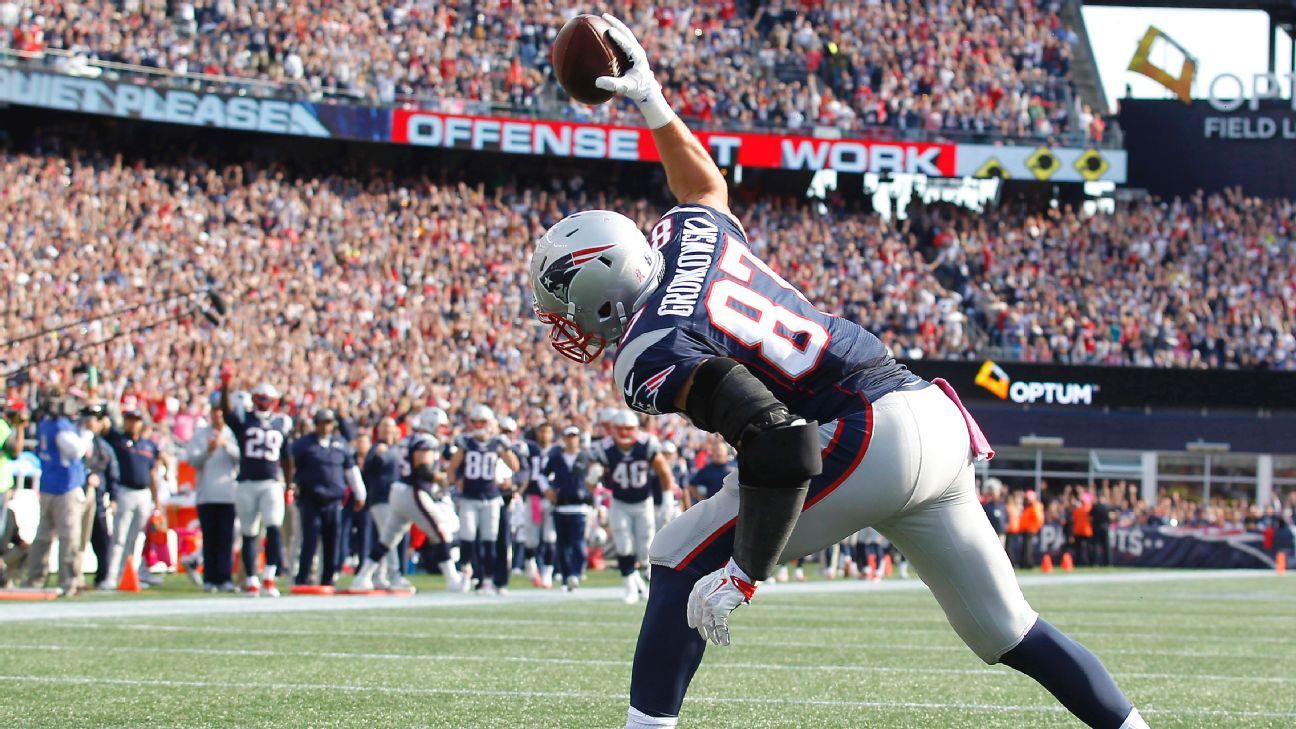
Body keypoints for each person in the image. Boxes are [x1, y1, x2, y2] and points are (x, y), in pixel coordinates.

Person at [529, 16, 1151, 729]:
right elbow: (702, 183)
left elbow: (780, 442)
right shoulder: (684, 233)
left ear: (598, 290)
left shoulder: (648, 347)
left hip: (864, 431)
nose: (563, 325)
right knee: (1007, 630)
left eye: (561, 306)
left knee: (676, 557)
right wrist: (651, 100)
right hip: (926, 412)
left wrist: (743, 572)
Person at [351, 408, 460, 592]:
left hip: (399, 490)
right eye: (441, 426)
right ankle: (453, 579)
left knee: (387, 539)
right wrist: (442, 478)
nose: (443, 430)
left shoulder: (409, 438)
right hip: (413, 491)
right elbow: (423, 471)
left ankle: (363, 576)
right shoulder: (426, 441)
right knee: (441, 531)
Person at [592, 410, 675, 604]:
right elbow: (591, 484)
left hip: (643, 501)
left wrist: (667, 499)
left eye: (629, 429)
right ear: (613, 429)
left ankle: (640, 584)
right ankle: (629, 585)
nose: (625, 434)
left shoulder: (646, 444)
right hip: (619, 502)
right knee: (623, 545)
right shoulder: (605, 448)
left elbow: (664, 472)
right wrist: (592, 477)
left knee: (645, 547)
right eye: (621, 429)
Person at [220, 378, 293, 597]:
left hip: (271, 483)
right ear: (253, 400)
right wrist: (225, 386)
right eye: (260, 399)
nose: (263, 403)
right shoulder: (245, 419)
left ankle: (269, 578)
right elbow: (226, 413)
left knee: (273, 527)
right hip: (246, 483)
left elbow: (287, 458)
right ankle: (252, 580)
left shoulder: (282, 423)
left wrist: (289, 485)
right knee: (249, 532)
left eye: (267, 399)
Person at [446, 405, 519, 594]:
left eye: (482, 422)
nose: (479, 425)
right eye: (476, 421)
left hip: (492, 497)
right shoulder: (465, 443)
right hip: (470, 496)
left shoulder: (497, 443)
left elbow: (514, 465)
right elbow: (452, 469)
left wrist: (506, 449)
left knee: (490, 540)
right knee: (467, 537)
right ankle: (466, 574)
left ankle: (487, 579)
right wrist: (453, 488)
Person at [24, 394, 92, 596]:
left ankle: (34, 579)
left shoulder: (45, 424)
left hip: (48, 484)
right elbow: (76, 450)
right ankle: (68, 581)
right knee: (68, 536)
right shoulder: (60, 427)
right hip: (64, 487)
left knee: (43, 536)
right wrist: (88, 433)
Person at [290, 409, 365, 588]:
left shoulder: (340, 444)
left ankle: (328, 578)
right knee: (310, 540)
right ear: (316, 424)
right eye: (323, 422)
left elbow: (350, 469)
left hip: (334, 500)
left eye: (329, 423)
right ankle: (303, 577)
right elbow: (291, 467)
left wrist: (360, 492)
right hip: (311, 498)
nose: (326, 427)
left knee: (333, 540)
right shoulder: (304, 445)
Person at [102, 407, 162, 590]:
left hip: (143, 494)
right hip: (125, 490)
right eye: (129, 419)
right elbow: (105, 426)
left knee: (137, 538)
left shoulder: (148, 445)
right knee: (119, 536)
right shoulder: (119, 440)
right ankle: (111, 576)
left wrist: (156, 501)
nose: (132, 423)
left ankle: (130, 574)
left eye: (136, 419)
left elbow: (152, 474)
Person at [185, 401, 240, 592]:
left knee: (226, 539)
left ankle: (225, 578)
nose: (218, 415)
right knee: (209, 539)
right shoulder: (201, 434)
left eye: (221, 411)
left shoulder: (233, 434)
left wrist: (226, 445)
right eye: (215, 411)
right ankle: (209, 578)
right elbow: (192, 460)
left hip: (228, 494)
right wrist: (208, 451)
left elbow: (241, 458)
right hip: (207, 494)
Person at [544, 425, 595, 592]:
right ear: (564, 439)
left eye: (574, 436)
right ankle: (566, 577)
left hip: (580, 506)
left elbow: (596, 479)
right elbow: (541, 474)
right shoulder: (556, 457)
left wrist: (596, 499)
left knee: (578, 542)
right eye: (569, 436)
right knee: (562, 544)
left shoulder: (586, 457)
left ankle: (576, 573)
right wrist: (547, 490)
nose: (572, 440)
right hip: (561, 506)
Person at [360, 416, 404, 586]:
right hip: (381, 498)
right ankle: (394, 574)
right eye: (384, 426)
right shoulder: (376, 449)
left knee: (385, 538)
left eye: (389, 426)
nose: (386, 430)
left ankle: (379, 575)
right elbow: (367, 471)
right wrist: (377, 456)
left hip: (395, 499)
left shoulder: (397, 449)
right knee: (389, 537)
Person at [80, 404, 118, 590]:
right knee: (76, 539)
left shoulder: (104, 446)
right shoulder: (78, 441)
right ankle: (75, 575)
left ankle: (103, 575)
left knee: (102, 539)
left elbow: (113, 474)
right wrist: (86, 476)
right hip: (79, 495)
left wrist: (114, 497)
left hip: (98, 497)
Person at [519, 421, 557, 589]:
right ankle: (531, 568)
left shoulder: (557, 451)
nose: (544, 435)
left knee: (550, 537)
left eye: (547, 432)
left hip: (551, 498)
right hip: (534, 497)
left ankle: (547, 573)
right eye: (542, 432)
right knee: (532, 538)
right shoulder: (529, 449)